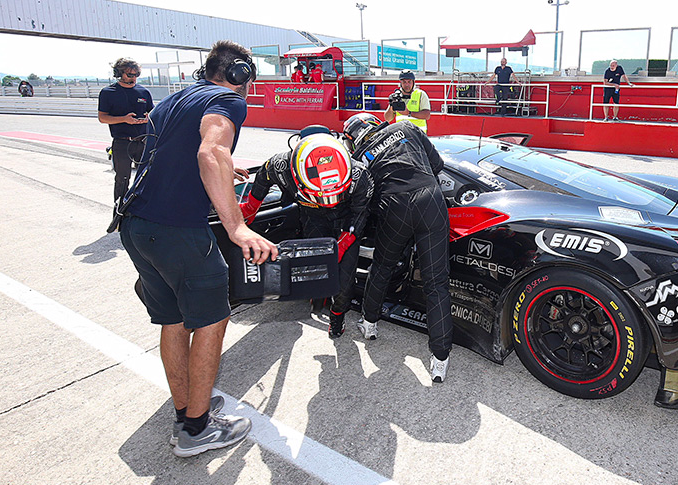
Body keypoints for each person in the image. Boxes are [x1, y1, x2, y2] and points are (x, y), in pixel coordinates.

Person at [118, 40, 278, 458]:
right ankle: (197, 430)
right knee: (211, 318)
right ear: (239, 75)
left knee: (173, 320)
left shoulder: (176, 99)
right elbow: (211, 152)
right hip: (178, 231)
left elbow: (182, 152)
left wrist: (227, 169)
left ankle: (187, 411)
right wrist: (237, 226)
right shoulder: (227, 99)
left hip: (136, 225)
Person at [342, 113, 452, 382]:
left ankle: (369, 324)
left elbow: (364, 199)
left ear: (354, 138)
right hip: (430, 199)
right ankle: (440, 360)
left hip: (394, 207)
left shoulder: (361, 158)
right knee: (436, 282)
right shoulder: (406, 127)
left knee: (382, 267)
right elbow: (437, 164)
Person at [238, 130, 373, 336]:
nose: (329, 200)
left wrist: (343, 243)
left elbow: (360, 216)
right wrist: (250, 209)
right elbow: (262, 181)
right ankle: (318, 296)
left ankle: (337, 316)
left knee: (345, 283)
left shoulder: (360, 175)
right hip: (312, 216)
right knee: (315, 270)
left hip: (346, 220)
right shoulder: (281, 166)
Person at [98, 58, 154, 205]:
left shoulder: (144, 92)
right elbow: (102, 118)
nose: (133, 78)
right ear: (119, 74)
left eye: (136, 75)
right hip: (122, 143)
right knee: (122, 179)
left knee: (146, 178)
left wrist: (149, 117)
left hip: (142, 141)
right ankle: (118, 213)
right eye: (130, 75)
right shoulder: (108, 92)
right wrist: (124, 119)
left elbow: (152, 112)